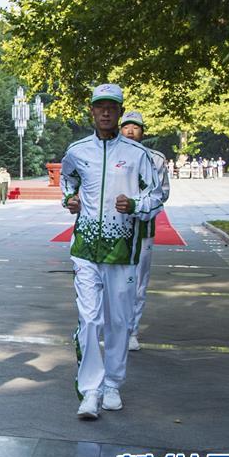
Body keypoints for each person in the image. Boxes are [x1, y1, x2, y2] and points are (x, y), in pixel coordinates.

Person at [61, 84, 163, 420]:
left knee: (119, 321)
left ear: (119, 112)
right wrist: (70, 199)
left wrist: (135, 205)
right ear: (91, 111)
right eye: (100, 106)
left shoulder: (137, 155)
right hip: (85, 249)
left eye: (112, 107)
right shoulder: (77, 151)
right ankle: (90, 390)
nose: (105, 112)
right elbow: (68, 180)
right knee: (90, 320)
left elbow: (157, 196)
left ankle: (113, 384)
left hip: (122, 251)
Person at [119, 111, 170, 352]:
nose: (130, 131)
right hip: (113, 228)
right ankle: (114, 329)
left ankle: (132, 331)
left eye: (135, 127)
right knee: (112, 283)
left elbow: (162, 193)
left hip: (142, 229)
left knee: (138, 283)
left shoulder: (155, 159)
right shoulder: (109, 155)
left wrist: (137, 205)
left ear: (143, 132)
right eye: (126, 126)